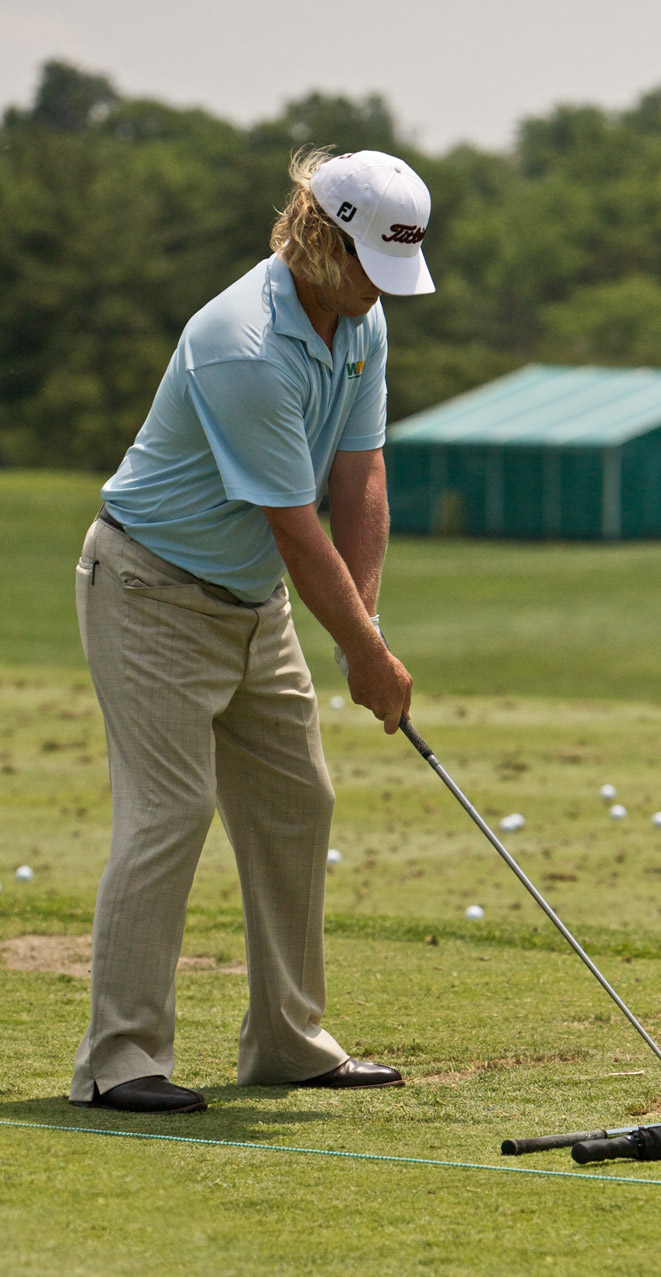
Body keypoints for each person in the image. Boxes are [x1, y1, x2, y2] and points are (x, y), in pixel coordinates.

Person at [69, 147, 433, 1114]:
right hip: (148, 589)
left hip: (251, 602)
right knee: (170, 811)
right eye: (366, 267)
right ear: (320, 236)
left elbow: (360, 475)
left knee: (297, 800)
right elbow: (292, 521)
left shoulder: (362, 321)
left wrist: (371, 628)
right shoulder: (243, 340)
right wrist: (364, 654)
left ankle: (286, 1041)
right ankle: (119, 1061)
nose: (375, 291)